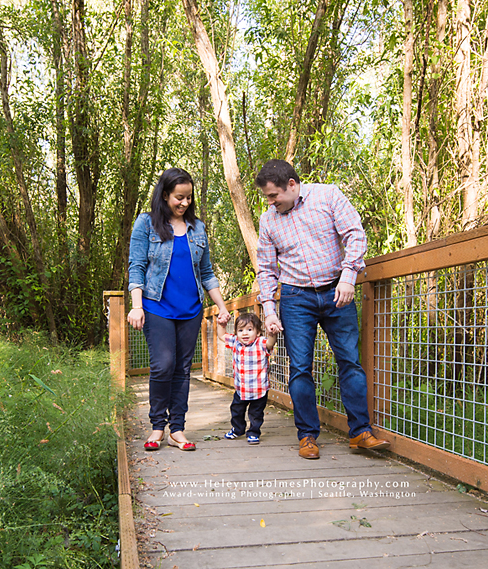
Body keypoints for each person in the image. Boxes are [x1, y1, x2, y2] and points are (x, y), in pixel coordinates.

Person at [255, 159, 389, 459]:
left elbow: (355, 234)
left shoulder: (327, 196)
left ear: (292, 184)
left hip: (336, 291)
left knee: (350, 362)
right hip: (295, 297)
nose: (271, 202)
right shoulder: (268, 221)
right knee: (300, 369)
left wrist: (348, 277)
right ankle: (307, 437)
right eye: (267, 197)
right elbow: (265, 269)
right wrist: (270, 311)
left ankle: (360, 433)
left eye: (273, 195)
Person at [128, 168, 230, 452]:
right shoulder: (146, 224)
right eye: (178, 197)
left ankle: (178, 429)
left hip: (191, 309)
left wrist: (221, 307)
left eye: (188, 198)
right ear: (164, 195)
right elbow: (137, 267)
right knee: (163, 365)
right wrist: (137, 306)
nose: (184, 203)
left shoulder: (198, 228)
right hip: (156, 305)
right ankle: (157, 426)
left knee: (183, 369)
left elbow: (207, 272)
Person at [216, 312, 277, 445]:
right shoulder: (235, 342)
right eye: (241, 330)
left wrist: (272, 333)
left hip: (259, 389)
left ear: (258, 332)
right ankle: (238, 429)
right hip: (241, 389)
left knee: (256, 414)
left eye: (249, 330)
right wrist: (221, 324)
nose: (245, 333)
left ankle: (254, 433)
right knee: (236, 410)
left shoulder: (260, 343)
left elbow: (270, 343)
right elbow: (221, 335)